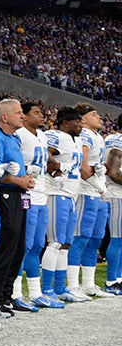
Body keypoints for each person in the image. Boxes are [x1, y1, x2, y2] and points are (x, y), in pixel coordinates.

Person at [0, 99, 34, 313]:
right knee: (6, 245)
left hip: (19, 195)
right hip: (5, 195)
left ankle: (6, 294)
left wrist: (26, 178)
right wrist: (18, 181)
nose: (22, 116)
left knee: (18, 246)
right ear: (4, 117)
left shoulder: (14, 138)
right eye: (18, 112)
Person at [15, 102, 59, 308]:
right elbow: (10, 162)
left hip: (42, 195)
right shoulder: (20, 134)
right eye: (36, 112)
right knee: (24, 244)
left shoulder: (41, 135)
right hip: (26, 195)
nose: (42, 115)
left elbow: (49, 161)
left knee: (38, 245)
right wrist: (25, 168)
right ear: (23, 116)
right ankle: (14, 292)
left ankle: (34, 291)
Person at [67, 103, 108, 298]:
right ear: (83, 119)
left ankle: (88, 284)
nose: (99, 117)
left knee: (95, 239)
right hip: (86, 191)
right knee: (81, 238)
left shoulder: (97, 136)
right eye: (94, 114)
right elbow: (83, 167)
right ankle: (73, 284)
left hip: (97, 193)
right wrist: (99, 184)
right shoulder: (84, 135)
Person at [43, 108, 83, 305]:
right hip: (57, 194)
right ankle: (47, 288)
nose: (81, 125)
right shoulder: (56, 135)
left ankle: (60, 288)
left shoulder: (77, 140)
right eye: (78, 122)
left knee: (66, 245)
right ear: (65, 122)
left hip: (70, 196)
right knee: (55, 242)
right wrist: (56, 171)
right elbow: (45, 154)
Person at [103, 115, 122, 294]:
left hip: (114, 193)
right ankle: (111, 281)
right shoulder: (117, 141)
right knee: (117, 239)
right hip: (116, 194)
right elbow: (113, 172)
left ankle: (119, 278)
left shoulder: (111, 139)